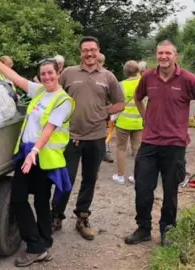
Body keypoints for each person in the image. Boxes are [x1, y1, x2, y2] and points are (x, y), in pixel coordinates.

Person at [0, 47, 75, 266]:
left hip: (43, 158)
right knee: (29, 200)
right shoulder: (40, 91)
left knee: (29, 200)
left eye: (50, 73)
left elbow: (49, 129)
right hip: (28, 154)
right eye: (43, 74)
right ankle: (42, 243)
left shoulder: (63, 100)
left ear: (58, 72)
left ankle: (36, 246)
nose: (47, 77)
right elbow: (15, 77)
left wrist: (34, 152)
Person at [124, 40, 195, 246]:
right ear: (156, 55)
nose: (163, 57)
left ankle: (167, 230)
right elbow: (138, 97)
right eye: (160, 53)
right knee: (142, 188)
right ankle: (143, 228)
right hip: (149, 142)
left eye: (168, 53)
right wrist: (145, 117)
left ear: (175, 56)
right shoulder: (148, 76)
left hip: (175, 144)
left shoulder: (186, 79)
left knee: (170, 191)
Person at [51, 36, 125, 240]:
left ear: (98, 50)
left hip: (96, 138)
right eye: (85, 50)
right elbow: (53, 96)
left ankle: (82, 218)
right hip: (70, 137)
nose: (89, 54)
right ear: (80, 52)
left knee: (90, 179)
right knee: (65, 179)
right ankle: (55, 217)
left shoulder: (108, 77)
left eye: (93, 50)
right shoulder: (68, 73)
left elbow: (120, 104)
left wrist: (103, 112)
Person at [112, 60, 143, 185]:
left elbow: (116, 103)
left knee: (121, 148)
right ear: (138, 71)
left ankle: (120, 176)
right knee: (138, 149)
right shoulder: (143, 83)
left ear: (125, 72)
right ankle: (138, 176)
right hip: (139, 121)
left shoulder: (121, 85)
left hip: (123, 122)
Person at [98, 53, 115, 163]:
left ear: (103, 63)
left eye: (100, 62)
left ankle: (105, 152)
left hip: (104, 109)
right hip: (94, 108)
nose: (98, 64)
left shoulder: (108, 76)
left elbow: (113, 94)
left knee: (105, 131)